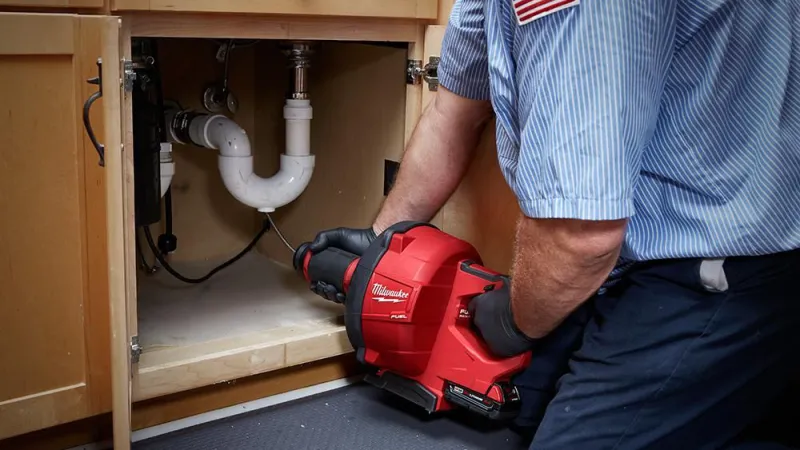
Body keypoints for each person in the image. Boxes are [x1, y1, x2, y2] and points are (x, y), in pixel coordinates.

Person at [307, 1, 800, 448]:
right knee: (514, 406)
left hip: (717, 273)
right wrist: (386, 243)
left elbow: (580, 239)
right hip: (619, 268)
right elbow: (452, 112)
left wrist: (512, 322)